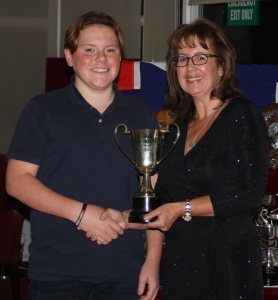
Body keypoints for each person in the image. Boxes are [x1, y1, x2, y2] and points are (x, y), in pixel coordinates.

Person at [97, 19, 270, 299]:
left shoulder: (242, 114)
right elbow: (160, 200)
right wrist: (122, 218)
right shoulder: (177, 128)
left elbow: (248, 194)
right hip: (183, 264)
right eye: (181, 59)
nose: (190, 67)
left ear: (222, 66)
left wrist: (181, 209)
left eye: (201, 57)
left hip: (226, 262)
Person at [5, 11, 163, 300]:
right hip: (56, 274)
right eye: (89, 50)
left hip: (125, 273)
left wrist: (152, 261)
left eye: (110, 50)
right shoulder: (42, 110)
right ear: (69, 56)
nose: (101, 59)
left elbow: (154, 193)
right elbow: (17, 182)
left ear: (120, 58)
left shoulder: (142, 113)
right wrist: (82, 215)